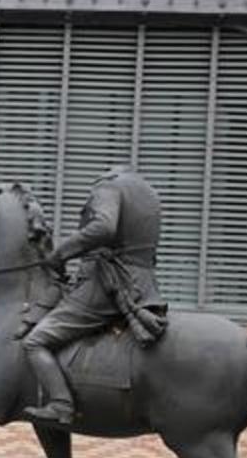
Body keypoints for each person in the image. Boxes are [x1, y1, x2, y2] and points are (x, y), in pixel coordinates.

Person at [21, 165, 168, 425]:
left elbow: (104, 227)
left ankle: (61, 404)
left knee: (35, 342)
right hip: (144, 285)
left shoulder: (108, 185)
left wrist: (62, 252)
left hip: (105, 285)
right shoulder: (149, 192)